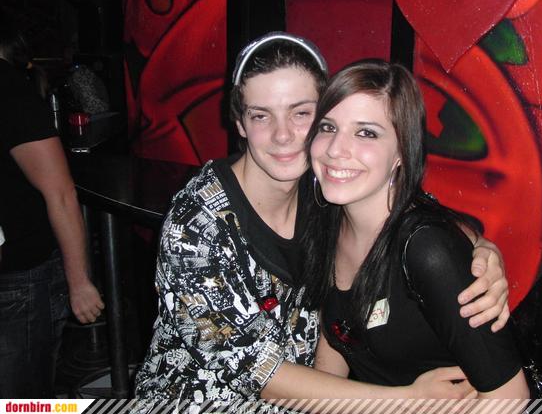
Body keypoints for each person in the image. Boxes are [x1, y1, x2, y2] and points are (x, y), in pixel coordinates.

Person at [134, 33, 511, 410]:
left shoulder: (325, 187)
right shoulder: (195, 226)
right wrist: (407, 402)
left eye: (301, 113)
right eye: (261, 115)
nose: (283, 135)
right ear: (240, 124)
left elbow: (409, 213)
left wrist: (480, 249)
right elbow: (256, 371)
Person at [306, 59, 529, 398]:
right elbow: (337, 339)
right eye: (327, 127)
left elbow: (511, 398)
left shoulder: (427, 250)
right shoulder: (329, 218)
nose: (336, 149)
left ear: (402, 151)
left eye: (366, 133)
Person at [0, 9, 104, 397]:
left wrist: (79, 282)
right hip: (17, 276)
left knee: (21, 401)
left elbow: (60, 192)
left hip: (20, 279)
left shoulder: (9, 90)